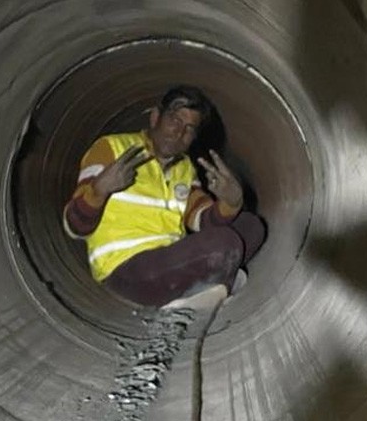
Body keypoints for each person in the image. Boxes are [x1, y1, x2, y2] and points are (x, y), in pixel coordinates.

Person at [62, 85, 265, 309]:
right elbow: (75, 227)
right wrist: (99, 190)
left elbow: (202, 221)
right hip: (126, 270)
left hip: (170, 260)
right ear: (155, 117)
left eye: (189, 129)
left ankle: (203, 287)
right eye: (175, 120)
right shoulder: (111, 148)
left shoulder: (184, 168)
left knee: (251, 226)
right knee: (225, 245)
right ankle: (213, 284)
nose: (179, 132)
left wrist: (231, 202)